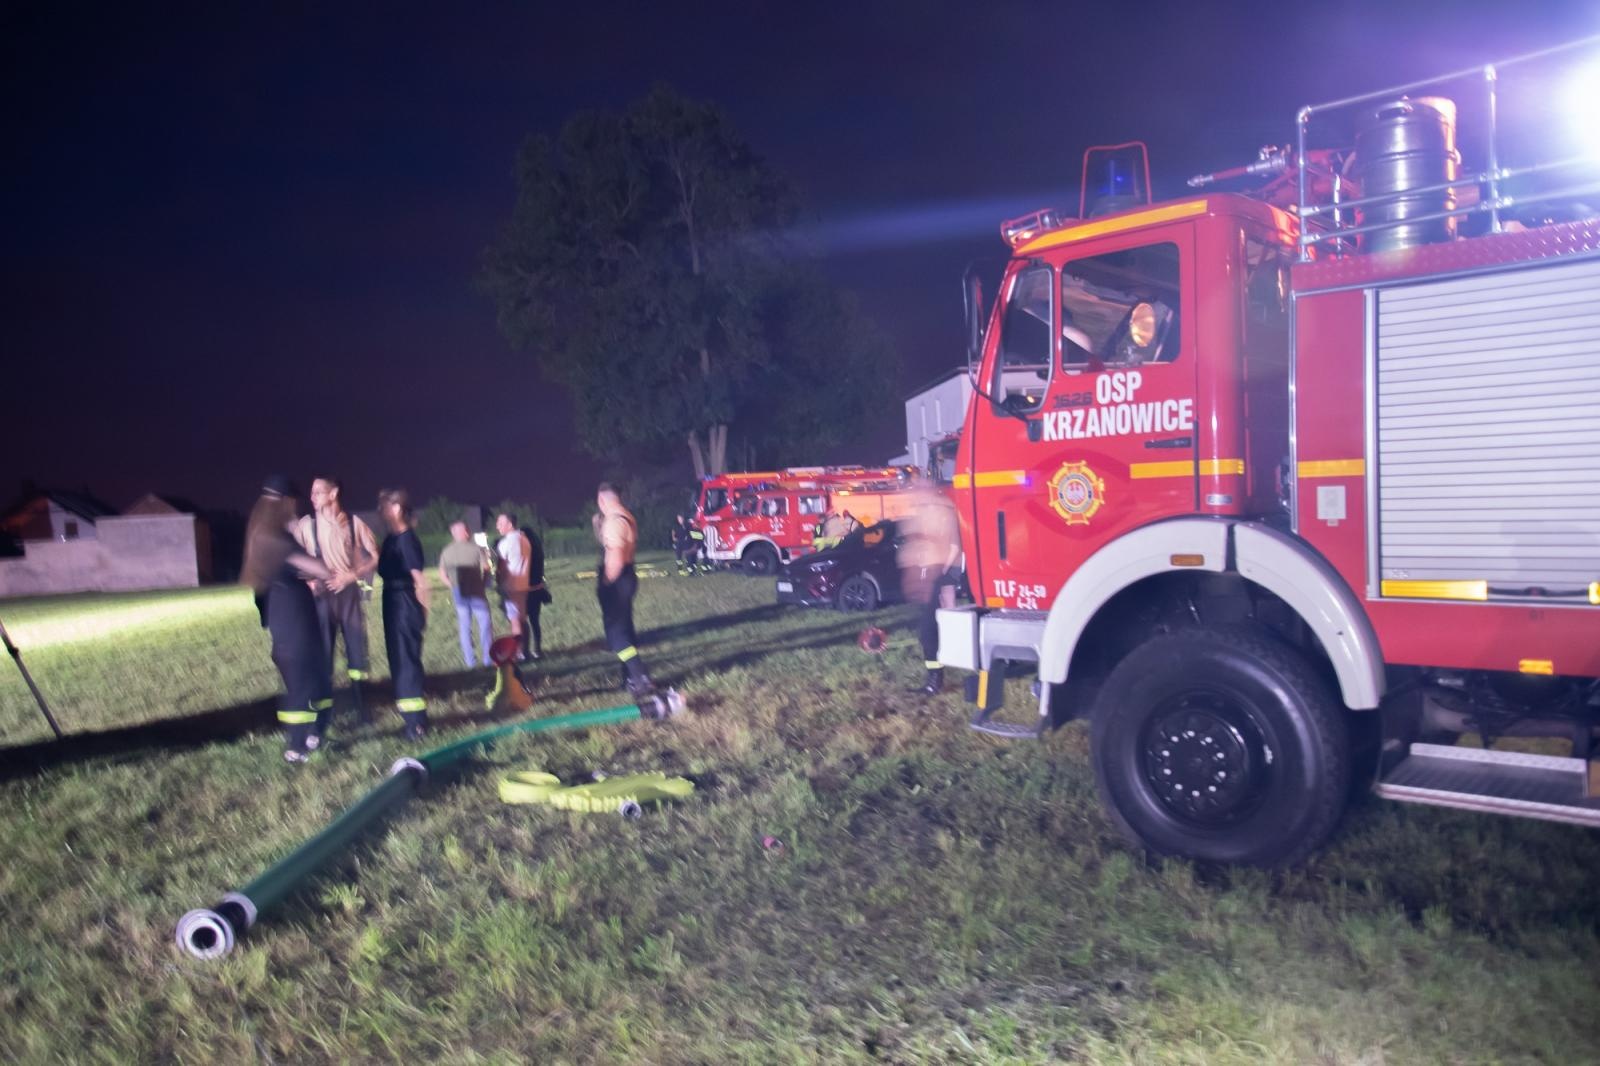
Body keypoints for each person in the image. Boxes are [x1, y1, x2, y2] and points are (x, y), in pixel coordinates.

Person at [241, 476, 335, 763]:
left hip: (283, 617)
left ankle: (314, 733)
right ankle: (296, 747)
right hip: (295, 620)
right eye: (293, 501)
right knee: (303, 682)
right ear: (285, 503)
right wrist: (298, 534)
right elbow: (318, 567)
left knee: (316, 678)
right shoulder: (277, 538)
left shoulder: (259, 535)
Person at [293, 476, 378, 721]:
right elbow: (293, 557)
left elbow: (374, 556)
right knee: (323, 652)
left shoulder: (354, 523)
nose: (312, 497)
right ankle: (324, 712)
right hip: (321, 598)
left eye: (318, 492)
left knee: (357, 652)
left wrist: (352, 576)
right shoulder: (306, 525)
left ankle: (362, 705)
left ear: (333, 494)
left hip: (349, 596)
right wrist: (308, 580)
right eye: (311, 493)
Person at [896, 484, 962, 695]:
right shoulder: (926, 512)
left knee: (928, 632)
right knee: (929, 631)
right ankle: (935, 678)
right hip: (929, 574)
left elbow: (954, 545)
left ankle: (935, 681)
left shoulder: (942, 512)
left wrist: (940, 573)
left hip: (937, 575)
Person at [377, 488, 430, 740]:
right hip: (391, 601)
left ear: (397, 509)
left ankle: (417, 723)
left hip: (405, 602)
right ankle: (408, 718)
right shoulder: (391, 539)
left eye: (384, 506)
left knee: (407, 661)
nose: (380, 511)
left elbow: (421, 581)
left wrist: (422, 613)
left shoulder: (407, 539)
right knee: (397, 660)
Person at [595, 482, 654, 697]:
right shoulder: (627, 516)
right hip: (628, 576)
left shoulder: (613, 522)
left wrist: (606, 583)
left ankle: (640, 677)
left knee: (616, 634)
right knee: (625, 629)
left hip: (617, 580)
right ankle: (629, 678)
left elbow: (616, 556)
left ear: (602, 500)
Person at [438, 520, 493, 669]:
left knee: (464, 627)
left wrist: (452, 585)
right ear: (466, 532)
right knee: (485, 625)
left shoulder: (446, 551)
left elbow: (442, 574)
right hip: (476, 591)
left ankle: (470, 662)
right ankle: (488, 660)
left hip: (459, 592)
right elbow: (487, 568)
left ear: (453, 534)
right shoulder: (476, 549)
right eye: (467, 530)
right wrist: (484, 583)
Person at [494, 512, 534, 661]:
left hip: (510, 586)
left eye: (500, 523)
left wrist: (499, 582)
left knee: (515, 620)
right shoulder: (524, 539)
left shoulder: (505, 543)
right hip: (523, 585)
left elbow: (501, 568)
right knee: (523, 619)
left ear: (510, 524)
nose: (497, 526)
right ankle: (526, 651)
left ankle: (518, 653)